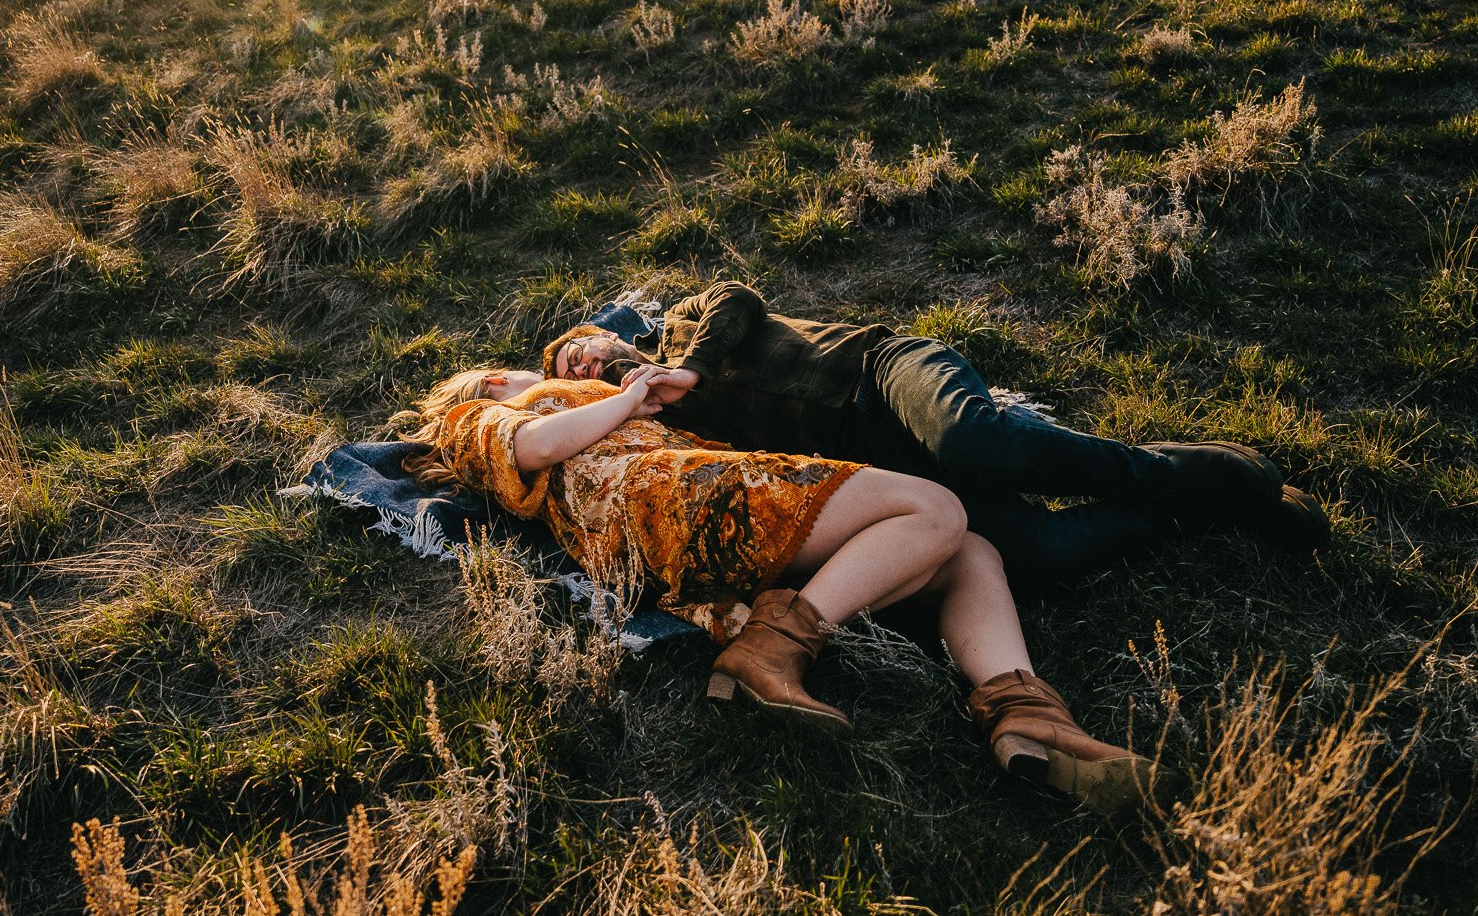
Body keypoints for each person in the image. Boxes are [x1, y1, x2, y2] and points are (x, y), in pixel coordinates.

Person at [399, 364, 1178, 815]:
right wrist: (626, 396)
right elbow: (534, 445)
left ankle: (1025, 713)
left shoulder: (567, 403)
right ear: (495, 380)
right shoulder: (488, 410)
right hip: (675, 497)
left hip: (695, 529)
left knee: (967, 548)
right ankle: (769, 648)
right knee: (935, 507)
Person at [540, 281, 1328, 583]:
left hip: (883, 373)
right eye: (571, 373)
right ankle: (1197, 511)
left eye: (584, 345)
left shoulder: (685, 328)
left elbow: (737, 296)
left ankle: (1210, 473)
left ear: (614, 339)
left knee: (980, 444)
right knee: (1037, 557)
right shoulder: (665, 448)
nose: (585, 362)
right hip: (879, 470)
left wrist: (693, 369)